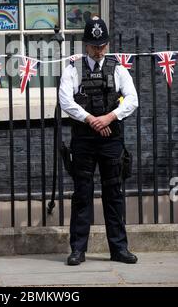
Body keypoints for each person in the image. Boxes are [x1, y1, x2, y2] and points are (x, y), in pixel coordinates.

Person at [59, 16, 139, 265]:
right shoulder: (73, 68)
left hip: (110, 140)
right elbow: (65, 101)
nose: (99, 50)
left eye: (102, 45)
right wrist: (92, 120)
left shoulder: (118, 68)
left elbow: (132, 99)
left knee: (113, 194)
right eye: (95, 46)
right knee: (82, 194)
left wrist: (109, 117)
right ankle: (78, 250)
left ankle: (119, 249)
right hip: (84, 139)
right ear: (86, 45)